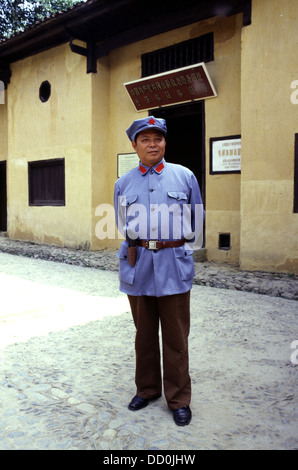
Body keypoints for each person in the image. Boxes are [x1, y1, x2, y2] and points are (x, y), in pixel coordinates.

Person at [113, 116, 204, 426]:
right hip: (138, 267)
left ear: (165, 142)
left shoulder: (184, 176)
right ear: (134, 145)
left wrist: (186, 256)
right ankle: (147, 389)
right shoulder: (123, 183)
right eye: (145, 139)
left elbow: (198, 221)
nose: (153, 144)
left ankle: (179, 398)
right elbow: (121, 222)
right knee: (145, 335)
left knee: (177, 337)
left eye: (158, 138)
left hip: (173, 265)